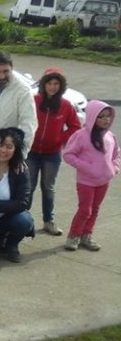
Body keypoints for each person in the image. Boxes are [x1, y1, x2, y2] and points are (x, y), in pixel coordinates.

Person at [27, 68, 81, 236]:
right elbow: (21, 119)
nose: (52, 87)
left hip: (52, 154)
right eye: (49, 83)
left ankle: (48, 221)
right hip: (31, 152)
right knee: (28, 186)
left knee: (48, 187)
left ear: (61, 86)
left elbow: (75, 126)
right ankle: (23, 220)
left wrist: (60, 138)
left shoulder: (65, 105)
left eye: (56, 84)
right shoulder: (33, 100)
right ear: (43, 84)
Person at [63, 100, 119, 252]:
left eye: (108, 116)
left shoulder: (110, 136)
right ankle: (73, 235)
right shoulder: (80, 136)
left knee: (95, 209)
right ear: (92, 117)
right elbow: (68, 155)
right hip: (86, 182)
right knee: (85, 210)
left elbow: (116, 154)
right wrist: (88, 167)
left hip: (104, 181)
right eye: (101, 116)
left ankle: (86, 235)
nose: (105, 120)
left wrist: (114, 167)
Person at [0, 128, 35, 263]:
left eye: (9, 147)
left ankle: (12, 245)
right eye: (0, 145)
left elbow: (23, 203)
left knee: (24, 220)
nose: (3, 151)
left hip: (7, 218)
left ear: (16, 149)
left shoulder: (20, 170)